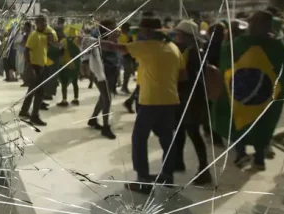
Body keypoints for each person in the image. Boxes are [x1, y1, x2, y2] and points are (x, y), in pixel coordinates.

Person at [102, 15, 183, 192]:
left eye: (142, 30)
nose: (140, 34)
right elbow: (182, 74)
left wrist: (92, 42)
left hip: (151, 101)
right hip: (170, 100)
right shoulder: (173, 47)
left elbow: (115, 47)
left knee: (139, 139)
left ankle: (143, 181)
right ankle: (167, 175)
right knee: (167, 139)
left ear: (147, 31)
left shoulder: (146, 46)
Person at [212, 11, 284, 171]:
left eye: (252, 23)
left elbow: (226, 59)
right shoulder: (277, 46)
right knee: (261, 124)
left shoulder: (240, 43)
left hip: (241, 93)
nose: (250, 26)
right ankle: (257, 158)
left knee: (239, 121)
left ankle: (244, 154)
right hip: (263, 95)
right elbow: (283, 70)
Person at [170, 20, 211, 185]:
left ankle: (204, 170)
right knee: (179, 130)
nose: (176, 36)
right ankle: (178, 162)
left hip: (192, 98)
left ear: (187, 36)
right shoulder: (187, 50)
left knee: (193, 133)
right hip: (183, 97)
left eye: (179, 34)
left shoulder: (195, 53)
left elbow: (193, 78)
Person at [19, 15, 50, 127]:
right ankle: (34, 116)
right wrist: (31, 68)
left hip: (41, 66)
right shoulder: (34, 35)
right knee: (39, 92)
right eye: (42, 23)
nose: (45, 25)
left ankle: (24, 111)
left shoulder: (43, 35)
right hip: (34, 67)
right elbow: (26, 51)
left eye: (45, 23)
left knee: (31, 90)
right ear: (37, 24)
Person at [88, 24, 116, 139]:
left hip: (109, 74)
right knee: (107, 100)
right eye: (113, 29)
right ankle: (105, 127)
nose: (116, 31)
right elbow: (96, 62)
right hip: (102, 76)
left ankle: (93, 119)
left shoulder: (111, 42)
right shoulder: (99, 44)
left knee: (103, 98)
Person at [56, 26, 80, 107]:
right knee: (75, 82)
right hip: (76, 64)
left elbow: (61, 52)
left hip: (66, 64)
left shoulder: (64, 41)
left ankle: (64, 100)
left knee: (64, 83)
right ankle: (76, 99)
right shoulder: (78, 41)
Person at [118, 22, 135, 94]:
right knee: (128, 70)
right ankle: (124, 87)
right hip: (125, 55)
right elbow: (121, 46)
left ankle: (124, 86)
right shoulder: (121, 36)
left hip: (133, 55)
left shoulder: (131, 35)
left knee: (130, 70)